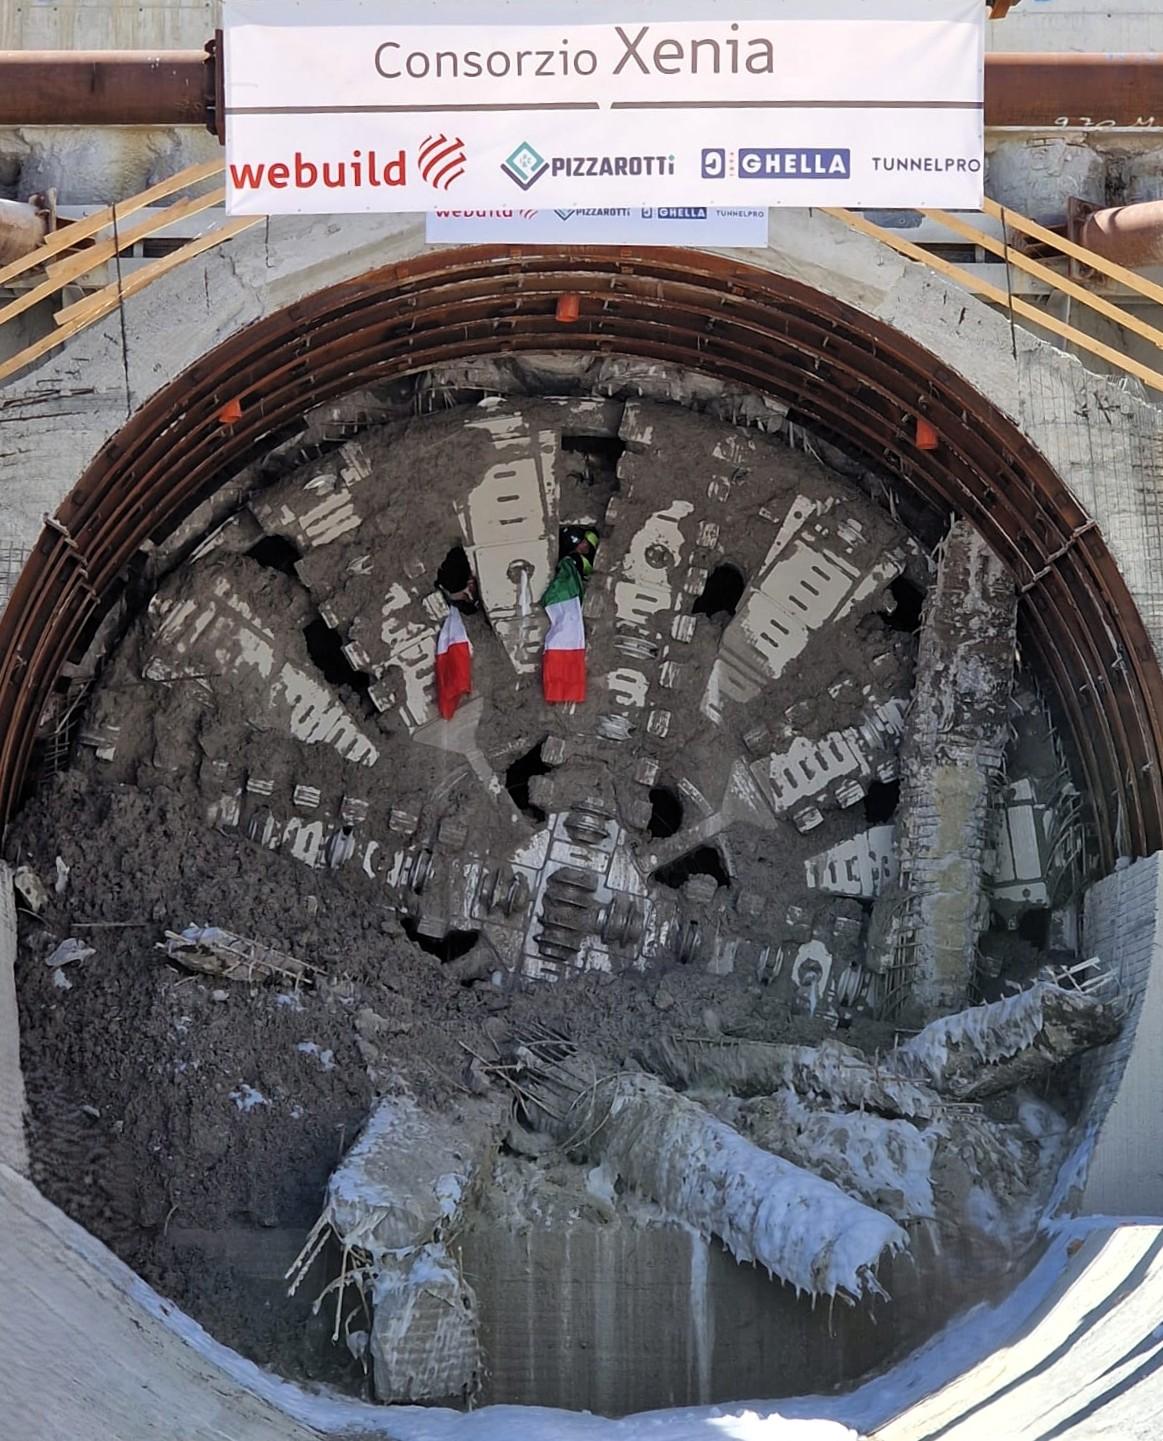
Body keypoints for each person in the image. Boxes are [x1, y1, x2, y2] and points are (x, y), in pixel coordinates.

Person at [540, 526, 599, 704]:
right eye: (579, 544)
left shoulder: (590, 540)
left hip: (570, 595)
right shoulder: (574, 560)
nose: (584, 545)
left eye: (583, 542)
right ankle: (562, 689)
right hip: (566, 598)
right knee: (567, 630)